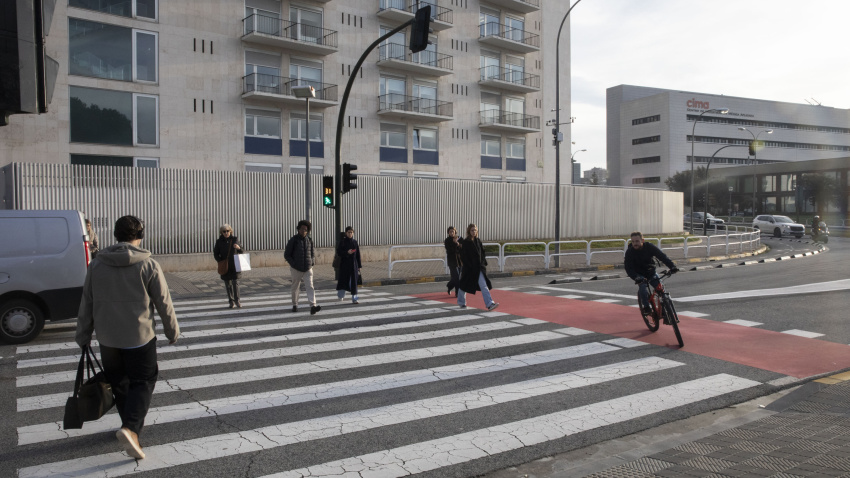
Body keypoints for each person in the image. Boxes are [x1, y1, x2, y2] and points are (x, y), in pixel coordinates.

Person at [75, 215, 179, 460]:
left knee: (119, 382)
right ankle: (131, 428)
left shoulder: (97, 265)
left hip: (108, 337)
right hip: (139, 336)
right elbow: (163, 302)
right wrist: (172, 331)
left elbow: (86, 302)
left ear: (115, 235)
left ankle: (129, 429)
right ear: (140, 235)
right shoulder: (148, 264)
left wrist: (83, 335)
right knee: (143, 381)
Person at [624, 231, 679, 317]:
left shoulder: (649, 247)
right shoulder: (629, 252)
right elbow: (628, 268)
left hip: (650, 272)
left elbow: (662, 256)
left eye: (637, 241)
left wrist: (672, 266)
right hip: (639, 274)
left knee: (661, 289)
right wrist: (636, 277)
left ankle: (664, 310)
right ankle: (646, 307)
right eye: (633, 241)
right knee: (642, 287)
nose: (635, 244)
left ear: (642, 240)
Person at [457, 223, 499, 311]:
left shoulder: (478, 241)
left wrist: (483, 263)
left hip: (478, 268)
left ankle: (489, 304)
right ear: (469, 231)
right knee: (463, 285)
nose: (474, 232)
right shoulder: (465, 242)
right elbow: (463, 256)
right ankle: (461, 302)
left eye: (475, 230)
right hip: (469, 269)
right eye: (472, 230)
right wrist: (469, 266)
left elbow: (482, 253)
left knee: (484, 286)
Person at [284, 219, 321, 315]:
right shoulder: (293, 240)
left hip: (308, 268)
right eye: (302, 229)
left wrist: (312, 262)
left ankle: (313, 305)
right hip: (296, 268)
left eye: (305, 229)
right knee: (295, 287)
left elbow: (312, 253)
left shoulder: (309, 240)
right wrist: (293, 264)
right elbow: (287, 254)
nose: (303, 231)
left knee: (310, 286)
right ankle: (295, 304)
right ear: (298, 229)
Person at [213, 224, 244, 308]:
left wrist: (238, 248)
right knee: (228, 284)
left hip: (235, 265)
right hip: (225, 266)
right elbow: (216, 253)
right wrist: (220, 261)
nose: (226, 233)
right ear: (221, 233)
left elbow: (242, 251)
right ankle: (231, 301)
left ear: (231, 231)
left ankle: (237, 300)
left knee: (235, 282)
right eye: (224, 231)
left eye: (227, 231)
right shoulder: (219, 241)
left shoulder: (234, 239)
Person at [336, 226, 363, 303]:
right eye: (349, 232)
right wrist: (347, 252)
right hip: (344, 265)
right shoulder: (342, 242)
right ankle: (341, 295)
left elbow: (358, 254)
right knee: (343, 280)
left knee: (354, 282)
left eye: (351, 232)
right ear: (346, 233)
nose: (350, 234)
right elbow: (339, 252)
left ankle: (354, 298)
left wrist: (359, 266)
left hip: (353, 265)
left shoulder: (355, 242)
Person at [444, 226, 462, 296]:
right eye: (450, 231)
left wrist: (459, 244)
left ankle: (449, 285)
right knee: (456, 277)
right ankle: (457, 293)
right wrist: (454, 243)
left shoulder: (459, 238)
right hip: (452, 261)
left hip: (459, 261)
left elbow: (462, 247)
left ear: (455, 232)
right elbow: (450, 250)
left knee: (457, 278)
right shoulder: (447, 240)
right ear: (448, 232)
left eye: (453, 231)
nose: (452, 233)